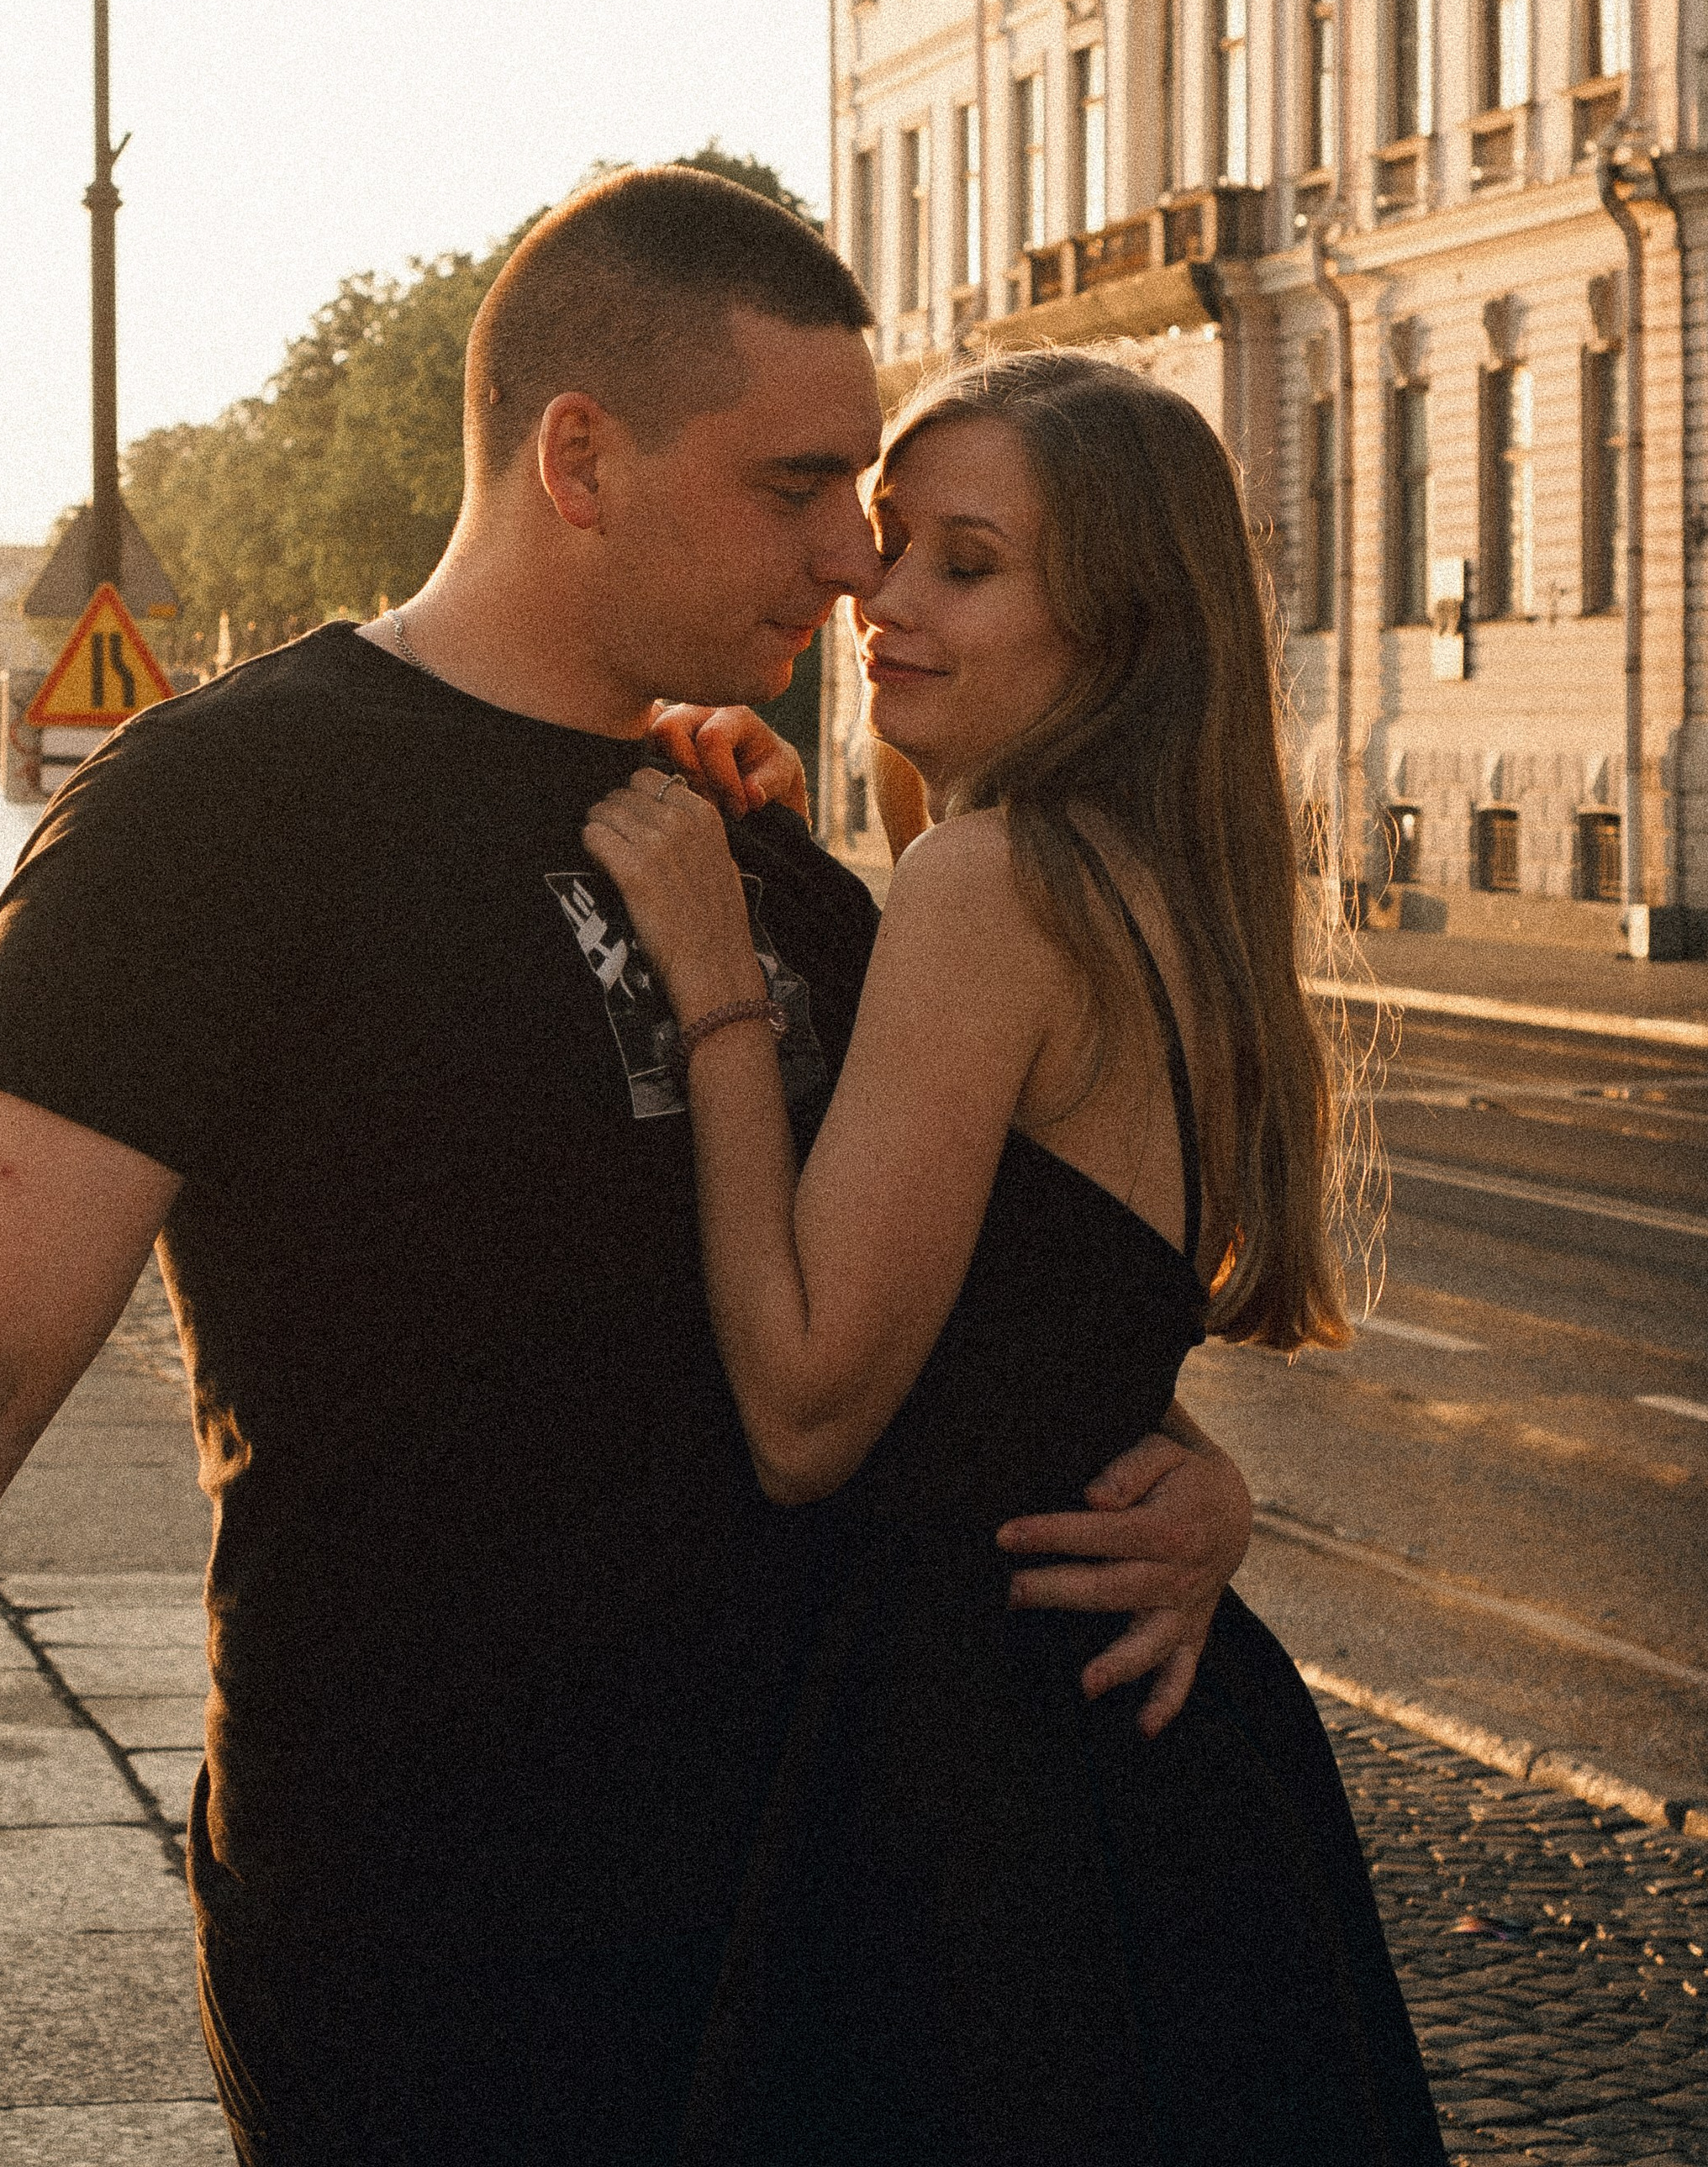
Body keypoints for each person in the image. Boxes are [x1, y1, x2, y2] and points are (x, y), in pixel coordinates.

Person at [0, 168, 1254, 2167]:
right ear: (578, 456)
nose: (847, 556)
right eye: (799, 485)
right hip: (447, 1951)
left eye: (877, 513)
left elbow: (973, 1290)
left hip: (829, 1941)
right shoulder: (221, 814)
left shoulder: (739, 833)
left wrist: (1181, 1473)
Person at [583, 345, 1447, 2167]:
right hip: (1167, 1765)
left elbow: (809, 1410)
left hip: (975, 1773)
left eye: (961, 566)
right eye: (888, 544)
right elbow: (1052, 1342)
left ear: (1117, 628)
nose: (876, 597)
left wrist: (716, 980)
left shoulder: (997, 886)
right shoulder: (1161, 887)